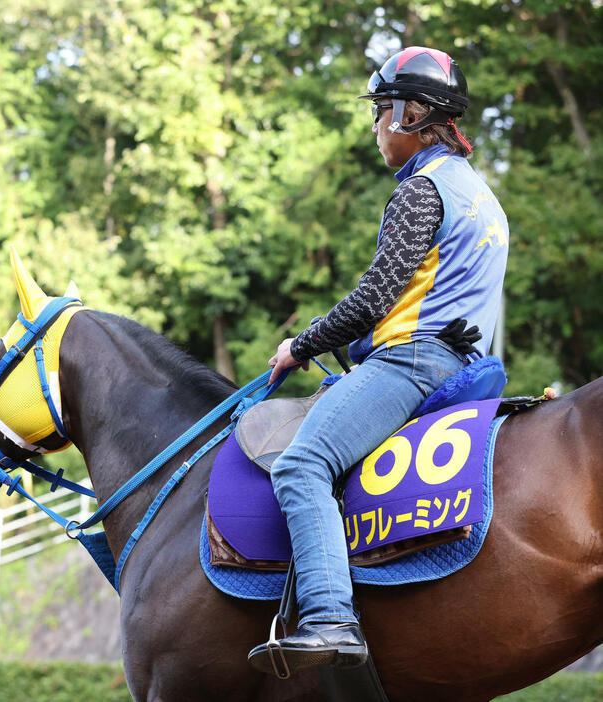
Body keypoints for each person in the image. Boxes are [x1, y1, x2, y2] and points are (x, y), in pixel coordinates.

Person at [248, 46, 509, 674]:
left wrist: (300, 344)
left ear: (413, 113)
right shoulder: (483, 199)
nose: (374, 126)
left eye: (380, 112)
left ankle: (331, 616)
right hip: (463, 366)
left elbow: (371, 299)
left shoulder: (422, 191)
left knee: (303, 463)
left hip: (413, 365)